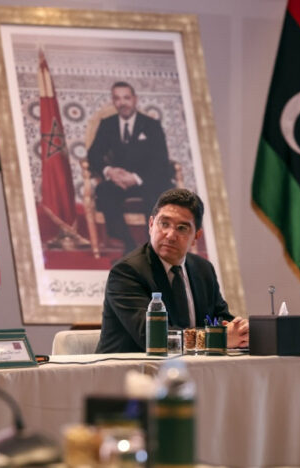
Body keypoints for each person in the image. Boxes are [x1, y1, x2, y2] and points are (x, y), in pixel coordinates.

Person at [96, 188, 248, 353]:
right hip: (130, 368)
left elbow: (219, 319)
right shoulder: (126, 272)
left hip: (190, 366)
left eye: (182, 228)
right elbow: (154, 338)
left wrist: (241, 332)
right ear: (151, 225)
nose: (170, 235)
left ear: (196, 236)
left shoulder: (203, 269)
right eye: (164, 224)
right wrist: (219, 338)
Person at [87, 81, 173, 252]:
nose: (122, 103)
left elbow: (161, 159)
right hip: (119, 181)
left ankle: (153, 248)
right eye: (117, 98)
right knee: (104, 191)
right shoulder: (107, 124)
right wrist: (109, 171)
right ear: (113, 101)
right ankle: (129, 246)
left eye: (126, 98)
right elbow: (93, 154)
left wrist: (135, 178)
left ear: (135, 99)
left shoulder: (151, 125)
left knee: (158, 192)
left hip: (146, 179)